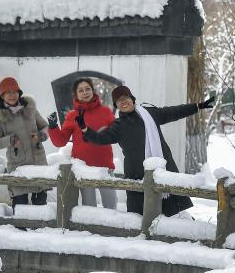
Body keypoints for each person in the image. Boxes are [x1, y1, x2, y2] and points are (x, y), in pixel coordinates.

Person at [80, 85, 215, 216]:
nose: (123, 102)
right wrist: (86, 130)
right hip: (137, 175)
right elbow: (100, 138)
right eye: (119, 100)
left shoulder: (150, 114)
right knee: (140, 216)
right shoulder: (118, 126)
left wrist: (198, 106)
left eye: (125, 97)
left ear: (132, 99)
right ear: (116, 105)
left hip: (162, 168)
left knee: (173, 213)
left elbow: (174, 112)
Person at [47, 77, 118, 209]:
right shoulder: (72, 115)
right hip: (84, 168)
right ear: (76, 94)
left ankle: (111, 228)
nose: (85, 92)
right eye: (81, 90)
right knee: (89, 207)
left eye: (87, 89)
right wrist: (53, 127)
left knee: (111, 205)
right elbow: (60, 141)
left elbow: (116, 133)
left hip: (105, 166)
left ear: (92, 91)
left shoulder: (105, 112)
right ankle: (90, 230)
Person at [0, 77, 49, 208]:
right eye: (8, 92)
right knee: (20, 209)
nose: (12, 95)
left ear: (19, 93)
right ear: (2, 95)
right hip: (18, 167)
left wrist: (41, 135)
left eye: (15, 91)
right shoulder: (0, 118)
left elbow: (45, 126)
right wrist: (9, 140)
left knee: (41, 209)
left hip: (38, 164)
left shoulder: (30, 108)